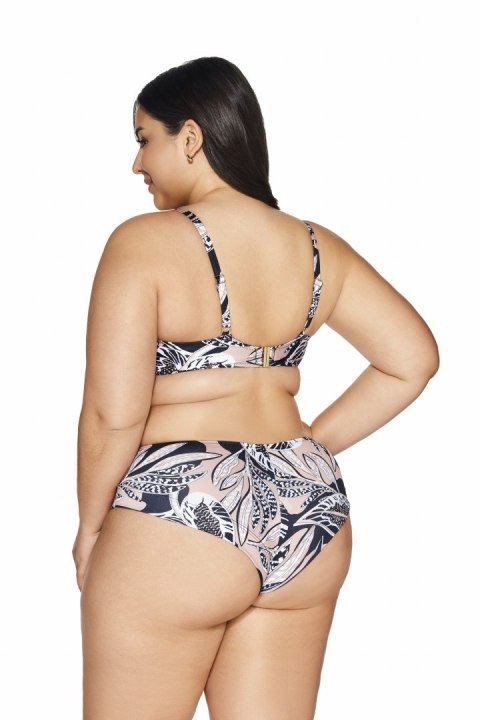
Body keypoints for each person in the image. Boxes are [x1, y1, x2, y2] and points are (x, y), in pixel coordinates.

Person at [72, 56, 439, 719]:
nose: (137, 163)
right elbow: (412, 360)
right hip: (307, 507)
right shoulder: (318, 248)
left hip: (179, 508)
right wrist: (304, 449)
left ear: (190, 137)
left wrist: (93, 529)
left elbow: (111, 414)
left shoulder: (143, 243)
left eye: (144, 139)